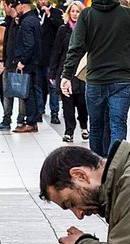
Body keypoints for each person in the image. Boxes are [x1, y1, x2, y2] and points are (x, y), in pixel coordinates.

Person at [61, 0, 130, 157]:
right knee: (118, 125)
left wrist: (66, 75)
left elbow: (76, 47)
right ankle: (114, 168)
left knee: (95, 126)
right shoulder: (129, 15)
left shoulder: (86, 15)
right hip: (121, 79)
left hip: (95, 79)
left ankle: (97, 170)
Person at [49, 0, 88, 143]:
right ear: (68, 13)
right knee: (67, 104)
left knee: (82, 102)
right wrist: (52, 72)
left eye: (78, 11)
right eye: (73, 11)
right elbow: (56, 51)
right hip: (65, 71)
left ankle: (84, 126)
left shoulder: (86, 29)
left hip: (82, 71)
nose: (75, 14)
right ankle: (69, 132)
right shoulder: (63, 30)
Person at [0, 0, 24, 130]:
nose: (4, 8)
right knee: (7, 92)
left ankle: (21, 120)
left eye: (4, 6)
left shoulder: (20, 21)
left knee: (21, 92)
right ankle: (6, 119)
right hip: (8, 62)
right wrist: (4, 61)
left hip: (18, 63)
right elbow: (7, 44)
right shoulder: (9, 21)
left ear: (10, 6)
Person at [11, 0, 41, 133]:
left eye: (16, 6)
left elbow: (29, 44)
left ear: (22, 5)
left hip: (28, 64)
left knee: (28, 94)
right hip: (34, 62)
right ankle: (32, 121)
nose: (15, 9)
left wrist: (22, 61)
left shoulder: (27, 22)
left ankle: (30, 122)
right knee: (32, 92)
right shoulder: (33, 19)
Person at [36, 0, 62, 124]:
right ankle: (39, 112)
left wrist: (50, 15)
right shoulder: (34, 14)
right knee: (38, 87)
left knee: (53, 87)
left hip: (51, 57)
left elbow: (60, 28)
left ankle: (54, 113)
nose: (42, 1)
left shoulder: (56, 13)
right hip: (37, 57)